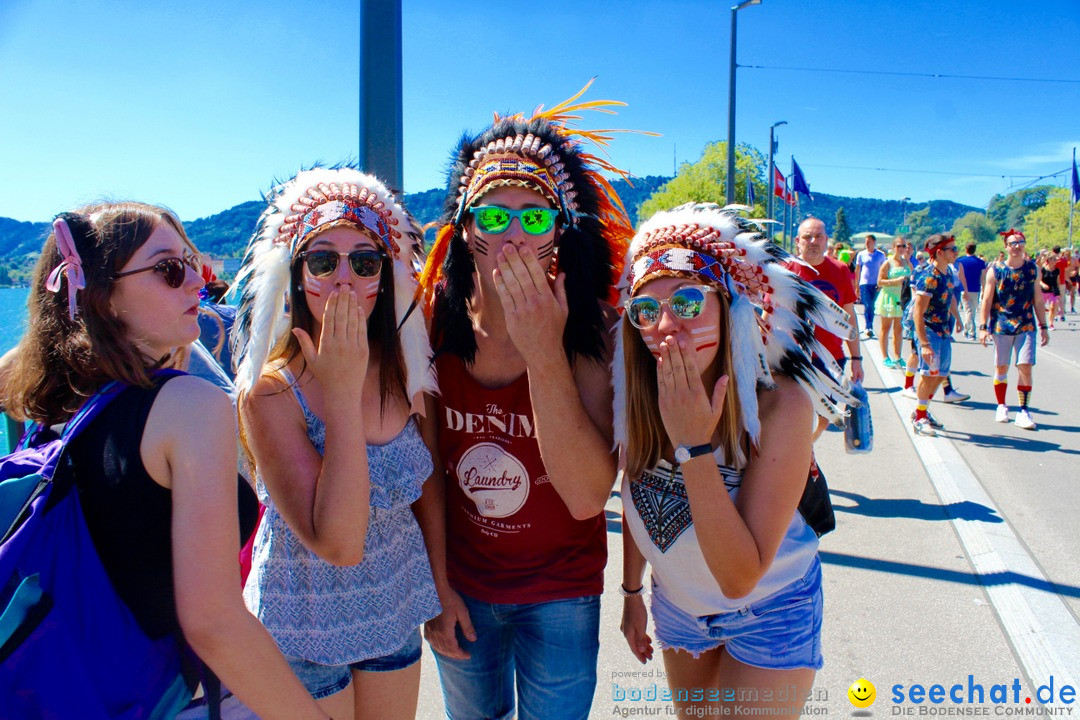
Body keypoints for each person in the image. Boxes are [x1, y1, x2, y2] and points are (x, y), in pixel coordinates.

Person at [0, 204, 328, 719]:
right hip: (169, 696)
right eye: (170, 270)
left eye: (194, 264)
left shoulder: (53, 408)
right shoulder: (191, 408)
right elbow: (213, 622)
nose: (197, 281)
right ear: (103, 298)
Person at [416, 86, 632, 720]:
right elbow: (426, 471)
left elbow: (589, 495)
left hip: (561, 590)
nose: (513, 233)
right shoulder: (430, 326)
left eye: (534, 216)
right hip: (464, 582)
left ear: (559, 233)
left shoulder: (592, 329)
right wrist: (437, 585)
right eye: (493, 214)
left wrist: (544, 351)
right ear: (463, 230)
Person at [616, 203, 851, 719]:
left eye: (688, 301)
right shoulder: (638, 392)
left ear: (730, 309)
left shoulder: (781, 406)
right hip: (678, 607)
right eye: (646, 311)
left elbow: (740, 577)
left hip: (770, 606)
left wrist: (694, 447)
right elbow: (641, 494)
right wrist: (633, 590)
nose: (666, 327)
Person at [230, 168, 441, 719]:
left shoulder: (405, 367)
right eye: (323, 260)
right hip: (302, 626)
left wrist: (444, 590)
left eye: (365, 262)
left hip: (393, 608)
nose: (344, 279)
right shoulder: (270, 395)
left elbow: (429, 492)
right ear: (298, 277)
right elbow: (339, 544)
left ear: (385, 276)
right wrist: (343, 394)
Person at [784, 218, 861, 441]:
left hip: (830, 360)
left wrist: (857, 358)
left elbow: (849, 319)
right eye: (807, 237)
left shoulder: (840, 270)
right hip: (792, 357)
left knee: (823, 416)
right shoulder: (784, 270)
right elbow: (769, 314)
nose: (813, 241)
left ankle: (807, 452)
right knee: (793, 415)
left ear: (826, 240)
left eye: (818, 236)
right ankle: (800, 457)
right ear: (798, 241)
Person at [977, 229, 1049, 430]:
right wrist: (983, 327)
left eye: (1020, 242)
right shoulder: (996, 270)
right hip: (1001, 324)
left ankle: (1023, 410)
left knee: (1025, 366)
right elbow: (987, 300)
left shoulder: (1032, 269)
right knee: (1001, 367)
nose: (1017, 246)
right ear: (1006, 247)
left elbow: (1038, 299)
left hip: (1026, 324)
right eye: (1012, 243)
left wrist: (1043, 326)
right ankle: (1001, 405)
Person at [910, 234, 961, 436]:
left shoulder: (948, 272)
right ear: (939, 252)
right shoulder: (929, 277)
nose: (956, 252)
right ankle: (920, 418)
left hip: (944, 331)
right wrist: (923, 343)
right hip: (930, 331)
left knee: (940, 375)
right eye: (952, 249)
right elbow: (918, 312)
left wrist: (959, 318)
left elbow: (951, 299)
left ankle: (921, 411)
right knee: (929, 375)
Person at [874, 238, 914, 368]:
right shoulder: (887, 263)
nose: (902, 248)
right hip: (889, 297)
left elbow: (912, 276)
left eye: (904, 246)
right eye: (899, 246)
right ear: (893, 247)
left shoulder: (906, 263)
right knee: (885, 328)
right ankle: (885, 356)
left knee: (899, 328)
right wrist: (895, 281)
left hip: (902, 298)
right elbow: (880, 281)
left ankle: (897, 356)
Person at [854, 234, 887, 338]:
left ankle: (870, 325)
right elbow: (858, 270)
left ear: (874, 242)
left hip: (876, 283)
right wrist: (856, 285)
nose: (866, 244)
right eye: (866, 242)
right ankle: (868, 327)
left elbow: (883, 270)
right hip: (864, 283)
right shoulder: (861, 254)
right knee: (867, 305)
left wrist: (882, 282)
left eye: (868, 242)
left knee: (872, 306)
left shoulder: (881, 255)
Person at [957, 242, 987, 339]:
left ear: (966, 249)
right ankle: (970, 331)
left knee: (969, 311)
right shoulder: (980, 262)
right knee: (971, 311)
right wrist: (984, 289)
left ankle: (968, 331)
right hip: (976, 289)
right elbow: (983, 277)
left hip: (963, 289)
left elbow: (957, 275)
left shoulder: (960, 261)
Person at [1039, 253, 1061, 330]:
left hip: (1053, 291)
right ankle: (1041, 322)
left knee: (1052, 307)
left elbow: (1058, 281)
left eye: (1055, 259)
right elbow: (1039, 280)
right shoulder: (1043, 270)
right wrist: (1043, 285)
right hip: (1044, 291)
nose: (1055, 261)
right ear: (1049, 260)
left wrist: (1059, 291)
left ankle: (1051, 323)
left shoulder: (1057, 270)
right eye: (1053, 259)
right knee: (1041, 308)